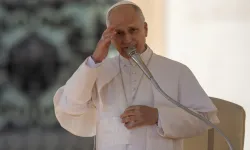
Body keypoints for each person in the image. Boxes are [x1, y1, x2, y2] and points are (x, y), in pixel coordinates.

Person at [53, 1, 220, 150]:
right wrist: (95, 59)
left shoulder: (176, 71)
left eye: (133, 30)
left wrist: (158, 116)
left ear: (145, 29)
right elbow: (69, 107)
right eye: (119, 33)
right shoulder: (98, 71)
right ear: (110, 36)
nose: (127, 39)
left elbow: (207, 117)